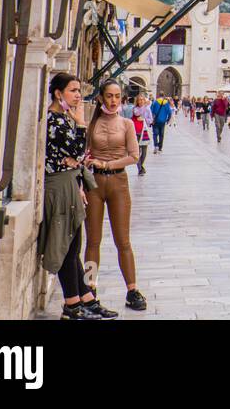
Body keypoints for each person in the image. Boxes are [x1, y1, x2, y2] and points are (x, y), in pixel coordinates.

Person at [37, 73, 117, 320]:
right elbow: (77, 151)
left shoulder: (64, 118)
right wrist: (81, 124)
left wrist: (76, 162)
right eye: (73, 90)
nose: (78, 95)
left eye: (79, 91)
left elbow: (77, 157)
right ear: (58, 93)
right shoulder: (54, 120)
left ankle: (86, 298)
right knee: (65, 247)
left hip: (71, 184)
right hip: (59, 188)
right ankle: (71, 305)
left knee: (73, 246)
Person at [83, 81, 147, 312]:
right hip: (94, 184)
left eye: (117, 96)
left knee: (123, 240)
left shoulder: (127, 124)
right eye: (109, 96)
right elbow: (84, 152)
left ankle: (132, 289)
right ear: (101, 97)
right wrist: (90, 161)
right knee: (92, 240)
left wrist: (107, 163)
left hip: (118, 182)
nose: (113, 100)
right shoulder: (92, 123)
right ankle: (89, 288)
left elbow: (134, 156)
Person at [130, 91, 151, 175]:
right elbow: (137, 113)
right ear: (137, 101)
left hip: (144, 131)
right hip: (136, 131)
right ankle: (140, 169)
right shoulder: (135, 108)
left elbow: (150, 119)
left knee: (144, 151)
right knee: (137, 151)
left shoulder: (148, 108)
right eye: (139, 100)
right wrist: (144, 107)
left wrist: (146, 120)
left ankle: (141, 165)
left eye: (142, 100)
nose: (141, 101)